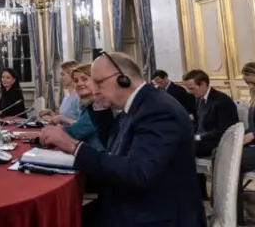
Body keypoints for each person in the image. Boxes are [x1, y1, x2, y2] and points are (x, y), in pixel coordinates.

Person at [39, 52, 206, 227]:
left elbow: (138, 173)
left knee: (55, 221)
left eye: (99, 83)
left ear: (123, 79)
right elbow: (112, 149)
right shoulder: (138, 105)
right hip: (135, 203)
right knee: (56, 218)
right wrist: (100, 107)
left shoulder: (157, 110)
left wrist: (72, 145)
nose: (94, 90)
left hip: (155, 215)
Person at [183, 69, 238, 199]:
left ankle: (195, 192)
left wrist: (197, 137)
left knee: (185, 148)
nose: (189, 92)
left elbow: (223, 130)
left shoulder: (221, 101)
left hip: (220, 141)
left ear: (203, 84)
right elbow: (200, 123)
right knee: (181, 143)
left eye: (192, 88)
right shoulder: (199, 99)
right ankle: (198, 191)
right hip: (204, 139)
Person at [59, 63, 113, 151]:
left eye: (84, 79)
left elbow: (78, 131)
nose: (79, 83)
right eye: (76, 81)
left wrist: (52, 133)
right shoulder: (87, 105)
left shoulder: (99, 104)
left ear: (96, 81)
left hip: (99, 156)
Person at [237, 62, 255, 225]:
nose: (249, 85)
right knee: (219, 153)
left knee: (234, 161)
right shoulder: (253, 98)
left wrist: (252, 135)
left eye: (250, 82)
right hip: (252, 143)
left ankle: (236, 213)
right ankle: (223, 206)